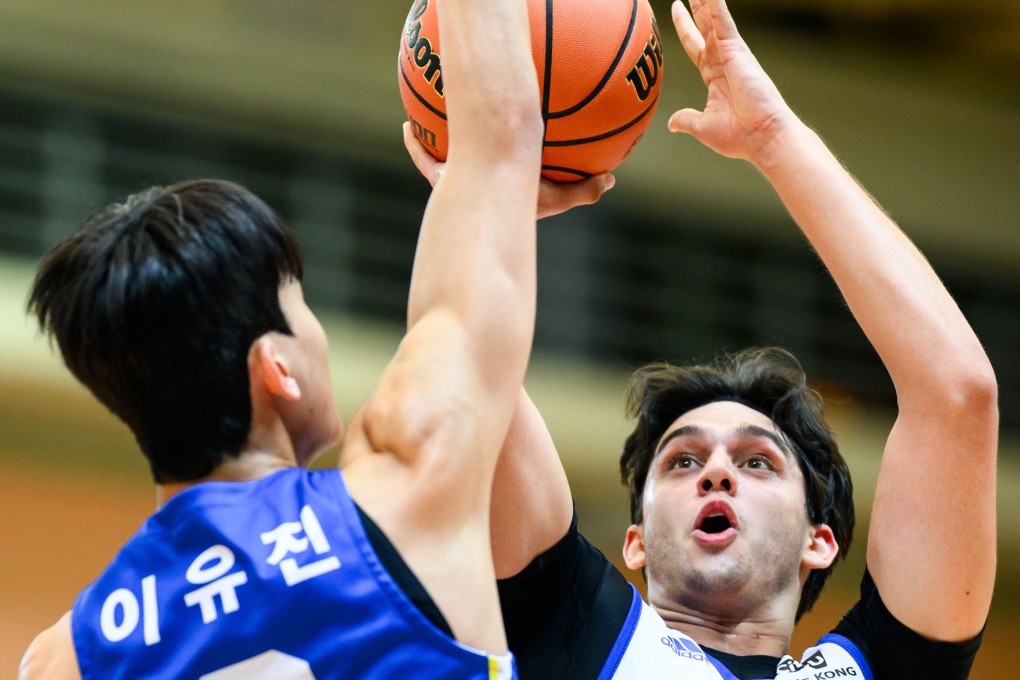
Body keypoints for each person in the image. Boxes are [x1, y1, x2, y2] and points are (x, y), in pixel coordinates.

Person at [405, 0, 998, 678]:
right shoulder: (575, 630)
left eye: (757, 463)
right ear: (636, 543)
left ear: (820, 541)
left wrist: (774, 137)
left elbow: (958, 394)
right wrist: (480, 184)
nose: (716, 471)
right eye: (681, 463)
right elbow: (458, 363)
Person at [17, 0, 550, 677]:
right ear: (277, 369)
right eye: (301, 308)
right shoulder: (406, 486)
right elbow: (502, 134)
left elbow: (504, 144)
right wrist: (485, 200)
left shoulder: (64, 657)